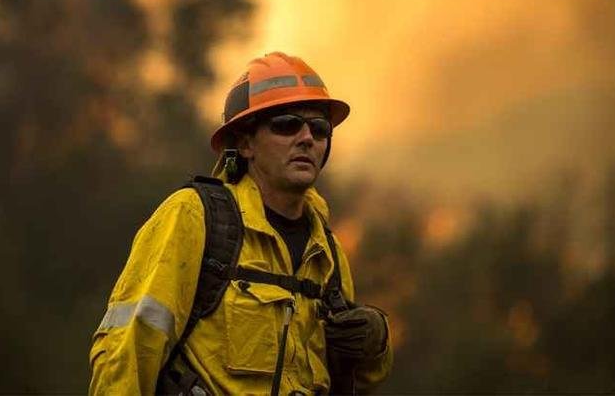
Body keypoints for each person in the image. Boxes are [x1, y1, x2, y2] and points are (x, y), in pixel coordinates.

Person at [89, 52, 392, 395]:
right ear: (246, 143)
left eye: (319, 129)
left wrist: (376, 346)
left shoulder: (327, 252)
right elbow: (129, 345)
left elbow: (353, 380)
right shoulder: (194, 216)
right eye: (286, 124)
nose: (307, 137)